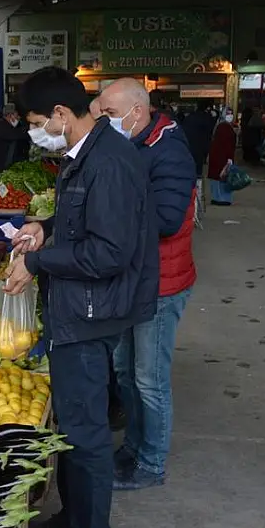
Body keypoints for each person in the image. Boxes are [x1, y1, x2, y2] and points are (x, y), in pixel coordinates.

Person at [8, 67, 157, 528]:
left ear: (59, 114)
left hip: (91, 314)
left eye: (35, 122)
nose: (34, 132)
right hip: (80, 309)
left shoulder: (108, 163)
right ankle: (72, 521)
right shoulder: (87, 155)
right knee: (72, 428)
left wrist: (35, 262)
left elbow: (107, 253)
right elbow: (83, 221)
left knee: (86, 435)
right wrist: (44, 228)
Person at [96, 78, 197, 491]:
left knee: (149, 380)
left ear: (138, 112)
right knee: (124, 371)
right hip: (131, 279)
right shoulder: (132, 144)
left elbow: (168, 220)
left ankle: (151, 463)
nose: (103, 120)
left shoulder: (169, 152)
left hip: (161, 283)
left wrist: (105, 216)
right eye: (100, 112)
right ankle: (133, 446)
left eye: (110, 114)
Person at [208, 111, 237, 205]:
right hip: (223, 157)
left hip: (217, 156)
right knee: (223, 177)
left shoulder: (220, 126)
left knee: (218, 178)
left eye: (231, 114)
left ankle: (217, 197)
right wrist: (229, 158)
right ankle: (223, 199)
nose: (230, 116)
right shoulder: (226, 127)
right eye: (228, 114)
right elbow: (228, 144)